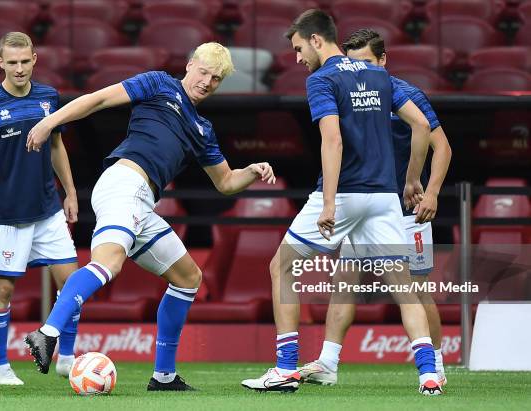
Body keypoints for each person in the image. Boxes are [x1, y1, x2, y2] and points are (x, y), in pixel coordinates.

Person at [23, 42, 276, 391]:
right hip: (123, 183)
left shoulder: (202, 128)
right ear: (189, 66)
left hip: (143, 204)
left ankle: (164, 377)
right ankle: (47, 333)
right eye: (203, 72)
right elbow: (97, 99)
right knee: (109, 264)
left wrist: (250, 170)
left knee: (188, 277)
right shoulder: (159, 84)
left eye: (216, 79)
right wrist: (50, 121)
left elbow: (225, 182)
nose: (207, 82)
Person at [241, 10, 442, 395]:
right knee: (405, 288)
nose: (298, 58)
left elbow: (331, 141)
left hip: (346, 193)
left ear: (317, 40)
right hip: (384, 197)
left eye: (299, 48)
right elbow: (420, 125)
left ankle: (285, 368)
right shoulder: (380, 76)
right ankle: (429, 374)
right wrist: (412, 179)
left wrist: (330, 203)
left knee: (281, 267)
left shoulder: (322, 79)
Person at [299, 28, 452, 388]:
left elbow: (441, 147)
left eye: (366, 62)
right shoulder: (346, 93)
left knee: (415, 286)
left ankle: (438, 365)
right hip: (367, 202)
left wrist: (429, 192)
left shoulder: (405, 94)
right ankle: (328, 362)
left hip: (407, 209)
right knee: (344, 281)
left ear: (383, 61)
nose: (358, 70)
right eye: (352, 63)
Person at [0, 32, 80, 385]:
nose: (18, 68)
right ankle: (1, 368)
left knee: (73, 284)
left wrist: (70, 192)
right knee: (3, 292)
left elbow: (57, 147)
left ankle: (68, 358)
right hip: (6, 215)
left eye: (24, 61)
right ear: (0, 63)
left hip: (47, 209)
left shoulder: (48, 97)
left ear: (34, 59)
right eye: (11, 62)